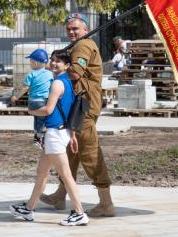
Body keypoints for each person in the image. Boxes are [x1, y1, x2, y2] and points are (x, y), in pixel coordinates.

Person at [40, 12, 115, 217]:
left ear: (85, 29)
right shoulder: (78, 45)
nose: (72, 32)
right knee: (71, 151)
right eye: (69, 29)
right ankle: (60, 195)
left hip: (85, 108)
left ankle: (106, 202)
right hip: (78, 106)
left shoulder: (82, 46)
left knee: (89, 151)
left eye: (76, 29)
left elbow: (74, 73)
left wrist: (55, 67)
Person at [9, 49, 89, 226]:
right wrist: (73, 135)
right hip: (62, 133)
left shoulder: (57, 84)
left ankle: (79, 212)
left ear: (67, 65)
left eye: (58, 61)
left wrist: (30, 111)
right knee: (41, 173)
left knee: (66, 176)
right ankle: (29, 209)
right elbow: (69, 110)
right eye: (52, 60)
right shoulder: (67, 82)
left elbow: (48, 110)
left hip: (54, 134)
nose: (53, 63)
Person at [11, 48, 53, 148]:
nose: (30, 63)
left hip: (33, 101)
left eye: (31, 61)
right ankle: (40, 138)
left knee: (36, 118)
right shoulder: (50, 74)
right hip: (44, 100)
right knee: (42, 119)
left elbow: (25, 88)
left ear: (35, 63)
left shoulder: (31, 75)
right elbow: (51, 86)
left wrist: (16, 97)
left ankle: (36, 137)